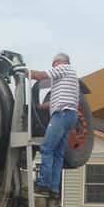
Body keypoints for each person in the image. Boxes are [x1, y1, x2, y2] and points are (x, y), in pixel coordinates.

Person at [26, 53, 81, 196]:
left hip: (61, 115)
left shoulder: (64, 68)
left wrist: (23, 71)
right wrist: (40, 107)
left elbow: (40, 76)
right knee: (58, 153)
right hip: (70, 115)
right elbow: (56, 101)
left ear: (60, 62)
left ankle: (44, 184)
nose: (54, 67)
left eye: (54, 64)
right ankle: (54, 189)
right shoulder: (71, 78)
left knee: (46, 147)